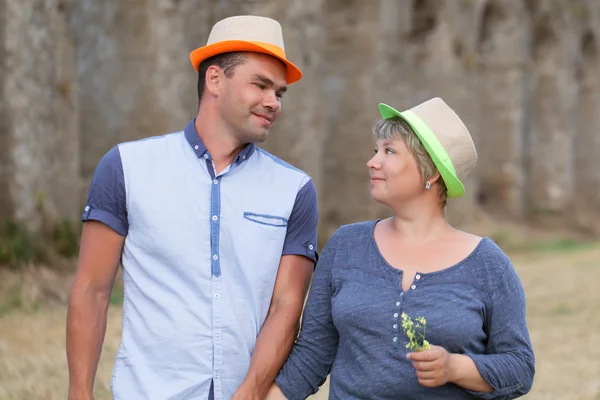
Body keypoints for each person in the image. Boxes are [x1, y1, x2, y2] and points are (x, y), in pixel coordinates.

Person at [66, 15, 319, 400]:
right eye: (261, 85)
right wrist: (79, 393)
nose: (273, 102)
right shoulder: (126, 168)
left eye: (279, 93)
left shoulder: (295, 190)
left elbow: (286, 307)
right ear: (215, 79)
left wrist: (250, 392)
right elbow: (91, 290)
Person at [267, 98, 535, 399]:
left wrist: (454, 368)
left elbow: (519, 369)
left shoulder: (488, 264)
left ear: (430, 172)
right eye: (376, 150)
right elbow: (312, 354)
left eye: (389, 151)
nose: (372, 162)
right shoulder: (345, 246)